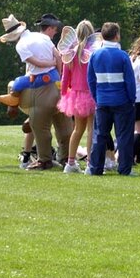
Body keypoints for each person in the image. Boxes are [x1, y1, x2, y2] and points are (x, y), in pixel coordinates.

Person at [0, 13, 70, 171]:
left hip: (41, 88)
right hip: (56, 84)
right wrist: (59, 78)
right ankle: (67, 158)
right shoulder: (43, 37)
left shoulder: (21, 45)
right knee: (64, 126)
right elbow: (58, 58)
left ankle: (44, 159)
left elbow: (35, 63)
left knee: (40, 126)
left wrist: (48, 65)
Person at [87, 22, 136, 176]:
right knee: (124, 137)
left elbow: (91, 80)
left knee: (100, 136)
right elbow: (130, 81)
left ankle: (95, 168)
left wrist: (96, 97)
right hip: (122, 101)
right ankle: (125, 169)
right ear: (117, 35)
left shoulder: (95, 55)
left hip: (102, 101)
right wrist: (131, 98)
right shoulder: (122, 55)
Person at [57, 20, 100, 173]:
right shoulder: (93, 52)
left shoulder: (70, 53)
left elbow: (64, 78)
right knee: (91, 130)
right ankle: (89, 164)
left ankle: (70, 163)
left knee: (77, 130)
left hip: (74, 95)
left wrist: (63, 95)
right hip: (91, 94)